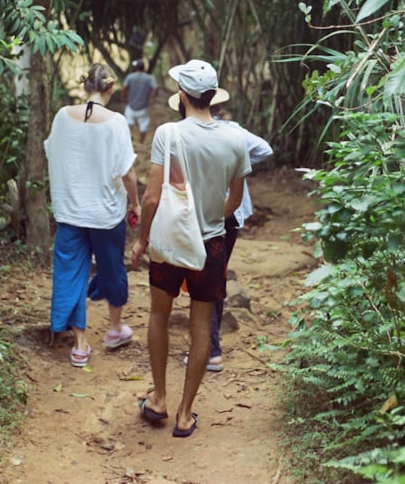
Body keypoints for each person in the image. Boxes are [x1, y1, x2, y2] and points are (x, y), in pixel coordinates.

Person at [130, 59, 251, 438]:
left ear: (181, 96)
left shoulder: (168, 134)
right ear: (213, 96)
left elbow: (150, 199)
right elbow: (237, 197)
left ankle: (159, 399)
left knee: (158, 315)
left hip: (170, 244)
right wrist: (211, 218)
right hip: (210, 246)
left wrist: (142, 240)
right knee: (201, 327)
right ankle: (184, 414)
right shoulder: (235, 139)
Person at [168, 90, 273, 373]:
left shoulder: (186, 133)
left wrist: (240, 163)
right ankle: (209, 347)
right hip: (226, 214)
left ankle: (211, 350)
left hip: (204, 216)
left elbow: (264, 150)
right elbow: (264, 148)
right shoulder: (232, 132)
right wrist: (238, 162)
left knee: (205, 280)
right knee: (211, 278)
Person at [45, 62, 141, 368]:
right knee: (112, 269)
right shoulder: (115, 122)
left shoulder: (62, 116)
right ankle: (114, 329)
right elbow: (127, 172)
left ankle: (80, 346)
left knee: (70, 273)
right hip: (105, 213)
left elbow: (54, 153)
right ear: (110, 88)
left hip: (70, 211)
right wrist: (135, 204)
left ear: (85, 84)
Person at [121, 59, 158, 144]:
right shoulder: (149, 78)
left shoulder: (130, 77)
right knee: (143, 124)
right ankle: (141, 142)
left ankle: (130, 137)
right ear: (144, 68)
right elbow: (155, 88)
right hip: (143, 107)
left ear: (136, 67)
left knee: (129, 122)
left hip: (131, 105)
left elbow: (124, 88)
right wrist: (151, 99)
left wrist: (124, 98)